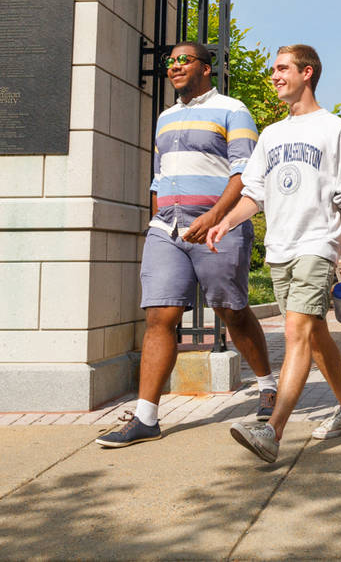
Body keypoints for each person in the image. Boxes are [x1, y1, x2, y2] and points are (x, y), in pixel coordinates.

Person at [96, 42, 275, 448]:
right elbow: (160, 175)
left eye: (184, 60)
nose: (174, 66)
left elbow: (244, 173)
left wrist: (215, 218)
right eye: (170, 62)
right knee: (160, 315)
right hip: (167, 229)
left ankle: (267, 385)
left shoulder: (233, 110)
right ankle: (146, 416)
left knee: (230, 310)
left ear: (206, 69)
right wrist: (161, 213)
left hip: (219, 227)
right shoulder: (165, 117)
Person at [206, 44, 341, 463]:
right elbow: (254, 193)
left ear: (307, 72)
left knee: (296, 330)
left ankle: (271, 431)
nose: (274, 76)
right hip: (280, 248)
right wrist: (227, 221)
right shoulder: (272, 134)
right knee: (314, 337)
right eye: (273, 69)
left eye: (282, 68)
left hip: (318, 244)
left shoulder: (336, 129)